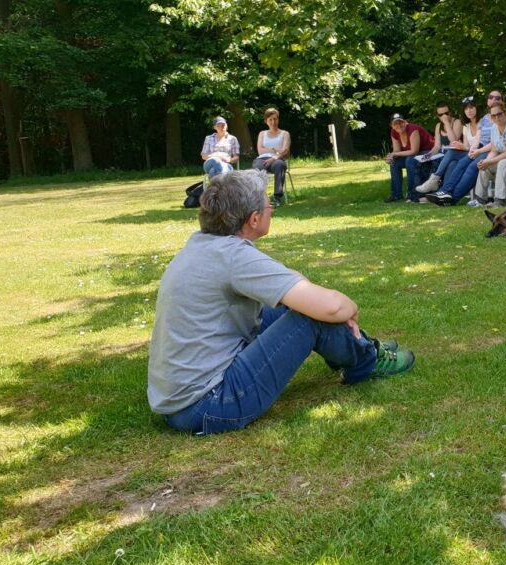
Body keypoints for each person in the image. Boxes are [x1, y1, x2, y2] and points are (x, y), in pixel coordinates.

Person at [149, 170, 416, 435]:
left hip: (180, 402)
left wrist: (318, 301)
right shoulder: (233, 257)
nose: (272, 209)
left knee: (297, 302)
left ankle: (355, 347)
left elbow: (291, 281)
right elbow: (331, 306)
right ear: (254, 219)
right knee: (310, 315)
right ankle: (365, 360)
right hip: (210, 404)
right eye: (269, 204)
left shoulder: (206, 245)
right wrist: (350, 309)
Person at [416, 102, 465, 195]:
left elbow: (454, 141)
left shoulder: (457, 122)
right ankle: (424, 193)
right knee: (424, 162)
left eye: (446, 113)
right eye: (441, 114)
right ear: (438, 116)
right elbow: (437, 146)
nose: (444, 116)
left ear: (450, 112)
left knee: (446, 163)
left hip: (455, 154)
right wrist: (428, 155)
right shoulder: (438, 126)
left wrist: (446, 123)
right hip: (442, 154)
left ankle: (439, 190)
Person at [385, 113, 436, 203]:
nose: (398, 125)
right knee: (395, 162)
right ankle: (396, 194)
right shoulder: (394, 132)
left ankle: (412, 193)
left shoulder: (413, 129)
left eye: (400, 122)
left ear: (405, 122)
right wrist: (391, 157)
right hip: (414, 154)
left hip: (428, 151)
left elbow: (414, 151)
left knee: (410, 161)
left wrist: (394, 154)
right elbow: (397, 150)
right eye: (395, 124)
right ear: (391, 126)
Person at [252, 107, 291, 206]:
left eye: (275, 119)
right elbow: (260, 151)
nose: (273, 122)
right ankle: (261, 198)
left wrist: (274, 157)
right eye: (270, 119)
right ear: (266, 121)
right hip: (262, 159)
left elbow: (285, 151)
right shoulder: (262, 134)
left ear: (278, 119)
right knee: (257, 168)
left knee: (279, 166)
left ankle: (277, 197)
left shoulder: (285, 133)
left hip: (278, 159)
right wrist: (275, 149)